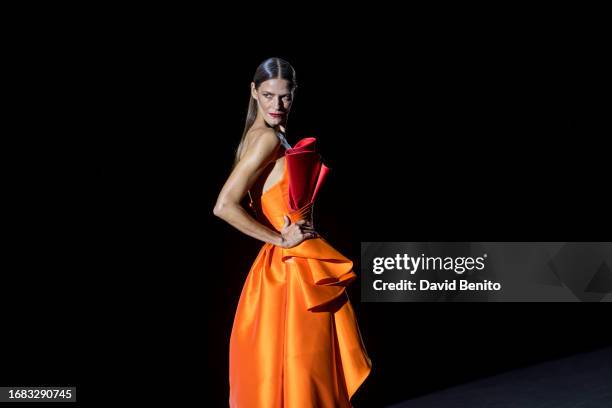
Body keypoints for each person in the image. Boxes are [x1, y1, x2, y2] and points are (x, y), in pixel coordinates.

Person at [214, 57, 372, 407]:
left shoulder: (271, 137)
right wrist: (280, 238)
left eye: (285, 96)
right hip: (291, 272)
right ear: (254, 92)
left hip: (292, 267)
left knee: (301, 373)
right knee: (303, 374)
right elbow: (224, 205)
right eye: (268, 95)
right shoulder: (265, 140)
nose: (277, 105)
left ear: (294, 93)